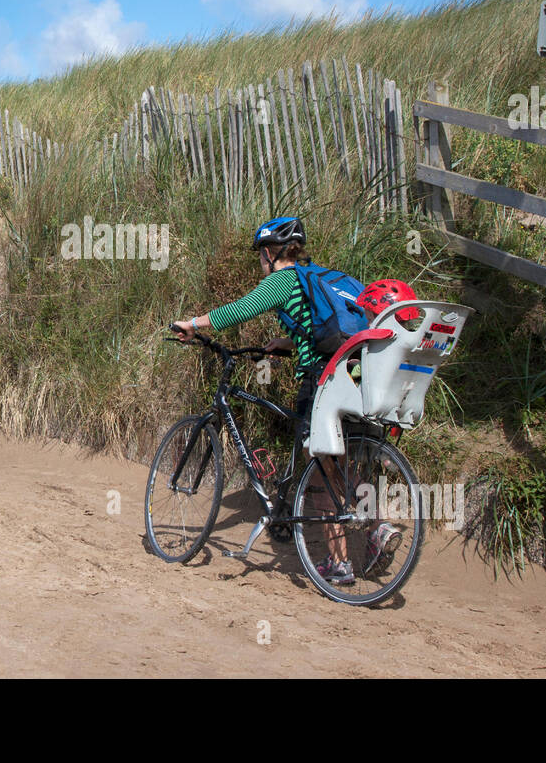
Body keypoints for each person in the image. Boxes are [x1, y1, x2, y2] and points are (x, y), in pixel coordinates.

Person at [171, 216, 399, 585]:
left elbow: (239, 310)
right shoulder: (323, 277)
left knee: (320, 469)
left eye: (259, 256)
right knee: (342, 466)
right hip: (356, 376)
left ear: (267, 253)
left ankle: (341, 564)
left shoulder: (284, 279)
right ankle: (378, 526)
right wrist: (289, 344)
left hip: (321, 380)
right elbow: (327, 331)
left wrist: (193, 325)